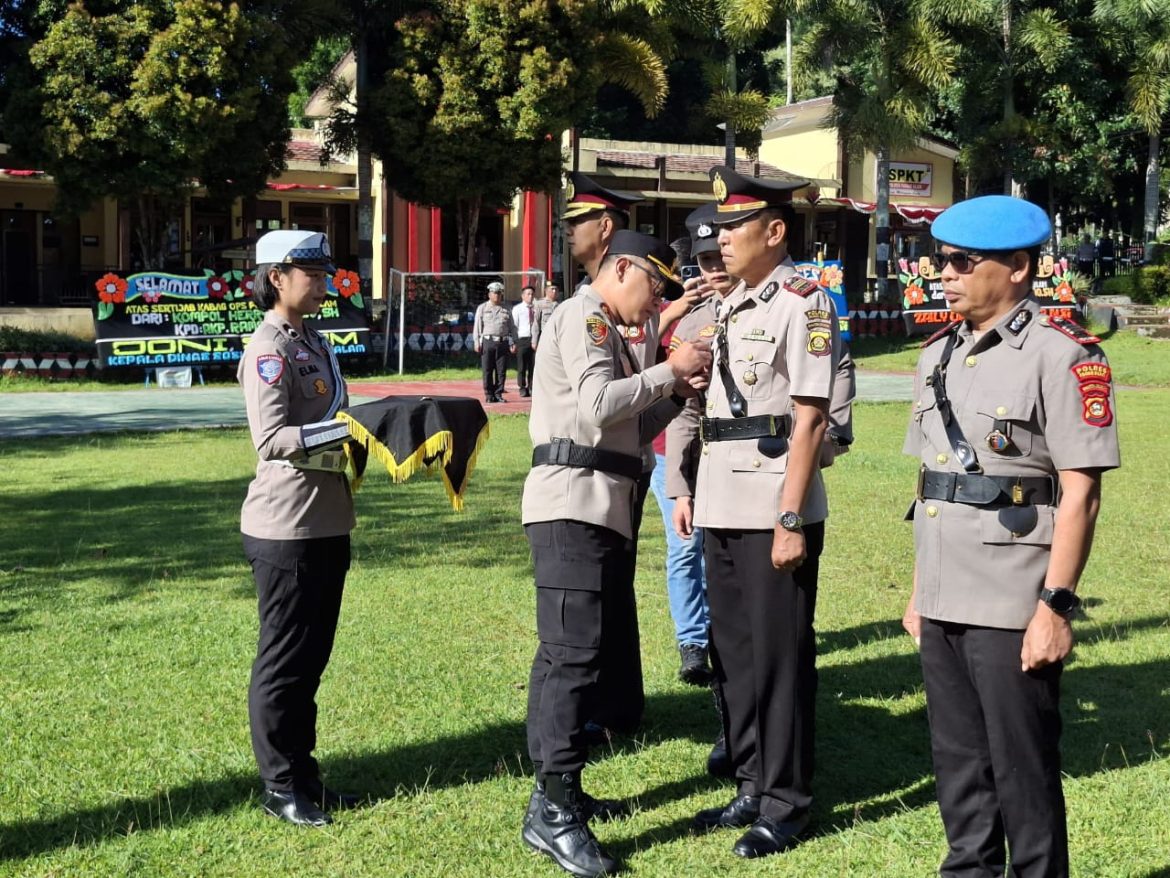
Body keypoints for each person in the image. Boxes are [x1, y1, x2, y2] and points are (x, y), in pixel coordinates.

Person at [901, 195, 1120, 877]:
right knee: (959, 768)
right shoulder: (937, 355)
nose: (946, 273)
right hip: (944, 594)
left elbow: (1080, 490)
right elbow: (932, 485)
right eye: (942, 259)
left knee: (1022, 772)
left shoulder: (1061, 358)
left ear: (1019, 267)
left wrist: (1055, 607)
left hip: (1013, 600)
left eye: (963, 261)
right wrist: (918, 595)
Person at [521, 230, 712, 878]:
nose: (657, 302)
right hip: (573, 504)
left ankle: (555, 793)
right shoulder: (588, 319)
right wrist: (669, 371)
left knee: (566, 655)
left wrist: (676, 394)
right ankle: (554, 810)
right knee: (574, 658)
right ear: (623, 268)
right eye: (654, 285)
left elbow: (629, 430)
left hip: (596, 504)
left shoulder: (608, 329)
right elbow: (600, 408)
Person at [681, 166, 840, 859]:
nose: (719, 239)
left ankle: (786, 800)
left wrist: (790, 516)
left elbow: (807, 420)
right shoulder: (734, 303)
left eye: (733, 228)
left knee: (778, 657)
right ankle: (750, 778)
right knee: (735, 655)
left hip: (773, 499)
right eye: (717, 228)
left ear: (774, 232)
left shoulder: (803, 304)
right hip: (722, 496)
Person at [238, 230, 361, 827]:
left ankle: (305, 775)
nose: (323, 279)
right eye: (311, 271)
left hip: (326, 520)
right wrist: (347, 432)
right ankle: (279, 784)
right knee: (284, 658)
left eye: (325, 269)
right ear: (278, 277)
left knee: (311, 657)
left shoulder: (314, 340)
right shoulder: (268, 347)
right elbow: (272, 438)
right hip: (285, 525)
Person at [473, 280, 515, 403]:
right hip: (488, 341)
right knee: (487, 369)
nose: (496, 295)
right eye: (494, 293)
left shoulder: (507, 308)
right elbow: (477, 326)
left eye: (499, 293)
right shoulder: (482, 308)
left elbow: (512, 327)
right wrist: (477, 342)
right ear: (489, 294)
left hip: (503, 342)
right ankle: (489, 394)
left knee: (501, 370)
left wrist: (513, 342)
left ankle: (498, 393)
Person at [513, 285, 537, 397]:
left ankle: (532, 386)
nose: (530, 296)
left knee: (533, 365)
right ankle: (522, 387)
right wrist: (514, 341)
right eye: (528, 294)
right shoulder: (517, 309)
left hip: (535, 339)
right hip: (522, 339)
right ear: (523, 296)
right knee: (522, 366)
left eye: (532, 294)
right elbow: (514, 326)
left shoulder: (536, 308)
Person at [531, 282, 559, 353]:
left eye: (556, 289)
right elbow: (535, 323)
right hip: (544, 336)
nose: (554, 291)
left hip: (557, 337)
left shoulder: (560, 305)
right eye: (552, 289)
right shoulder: (540, 304)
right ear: (546, 291)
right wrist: (534, 340)